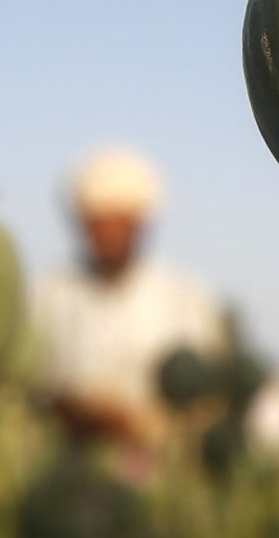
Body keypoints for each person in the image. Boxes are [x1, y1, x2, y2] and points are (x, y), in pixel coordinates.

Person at [30, 147, 230, 477]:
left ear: (140, 225)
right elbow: (33, 384)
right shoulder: (50, 296)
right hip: (71, 472)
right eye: (97, 225)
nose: (107, 236)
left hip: (162, 471)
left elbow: (208, 394)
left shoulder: (185, 297)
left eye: (118, 224)